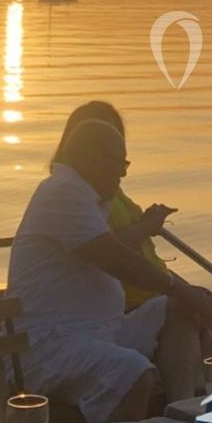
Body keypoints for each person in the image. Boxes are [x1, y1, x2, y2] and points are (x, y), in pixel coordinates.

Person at [7, 119, 212, 423]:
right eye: (120, 163)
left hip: (102, 332)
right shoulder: (62, 192)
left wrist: (184, 295)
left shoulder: (89, 198)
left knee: (180, 308)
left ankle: (180, 416)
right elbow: (117, 260)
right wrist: (179, 287)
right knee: (132, 372)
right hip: (50, 346)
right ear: (94, 159)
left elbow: (116, 254)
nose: (123, 173)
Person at [50, 101, 179, 314]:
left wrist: (146, 221)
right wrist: (145, 228)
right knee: (188, 306)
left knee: (195, 305)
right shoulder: (70, 195)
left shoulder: (109, 189)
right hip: (128, 300)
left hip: (148, 291)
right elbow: (106, 250)